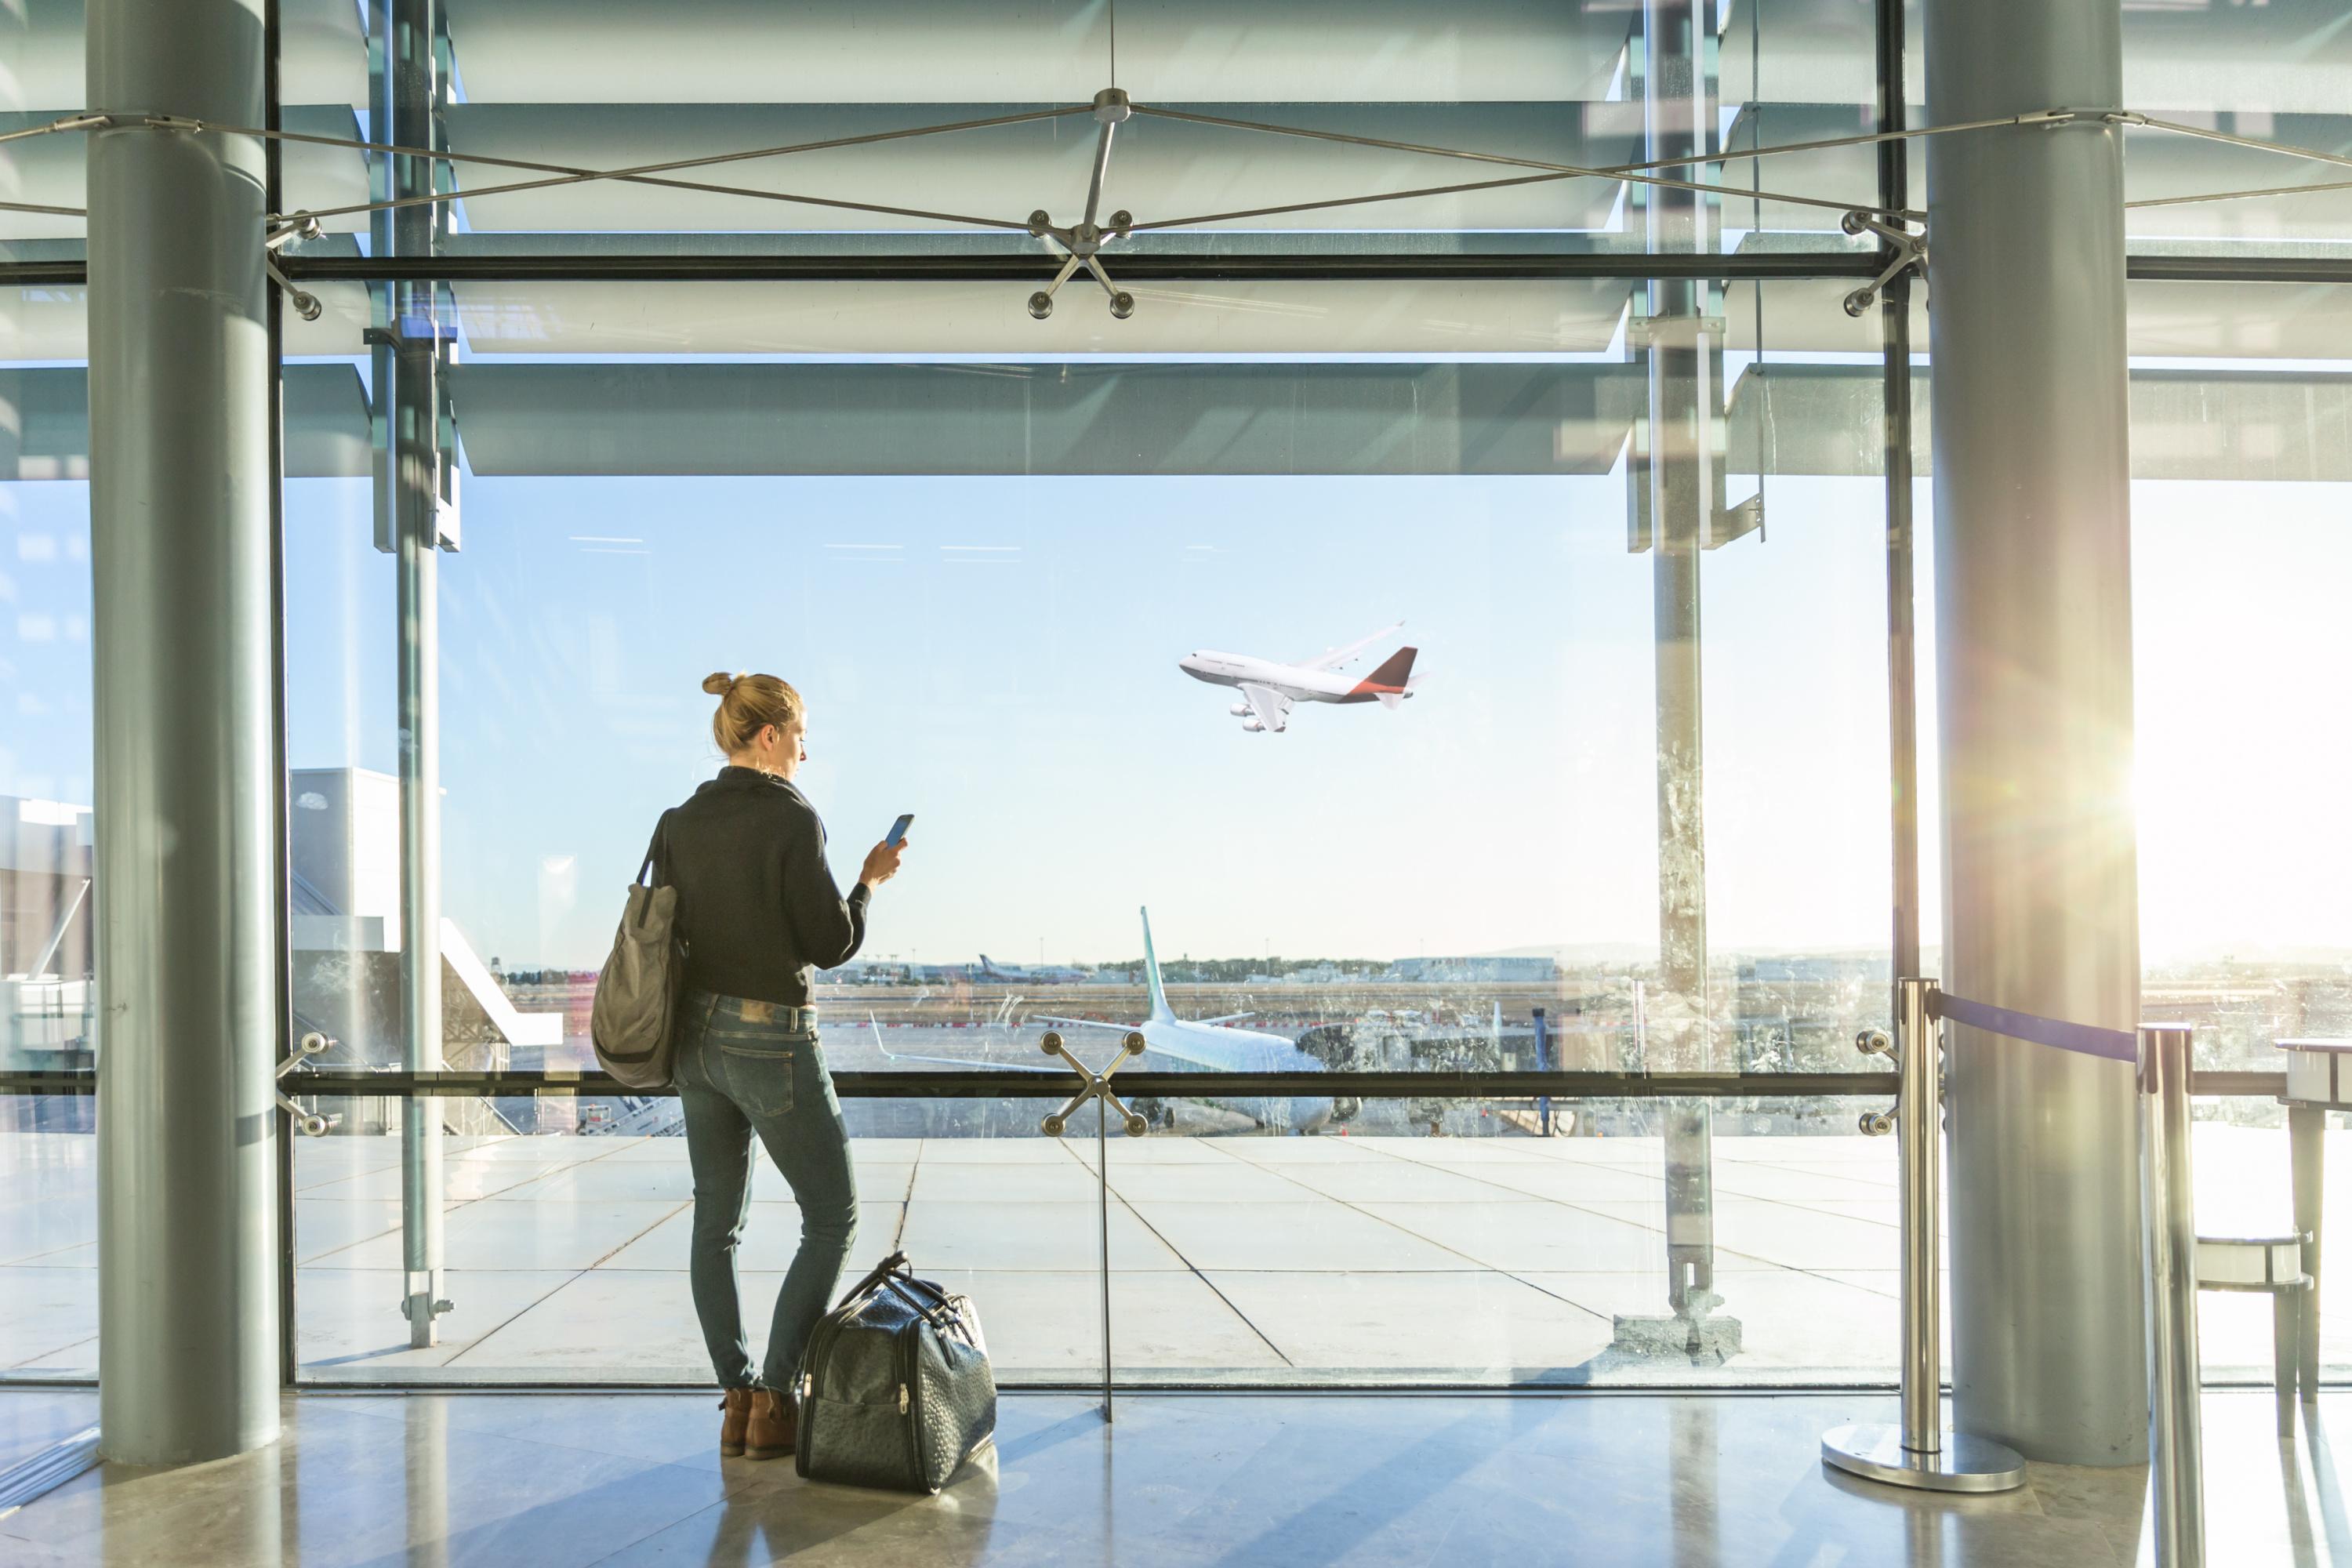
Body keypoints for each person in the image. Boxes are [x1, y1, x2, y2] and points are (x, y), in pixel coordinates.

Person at [652, 671, 905, 1460]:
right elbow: (829, 944)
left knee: (715, 1221)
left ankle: (734, 1399)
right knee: (832, 1216)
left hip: (694, 1040)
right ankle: (775, 1394)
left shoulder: (678, 819)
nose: (806, 746)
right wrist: (868, 883)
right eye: (800, 732)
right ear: (769, 735)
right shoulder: (794, 817)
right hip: (771, 1038)